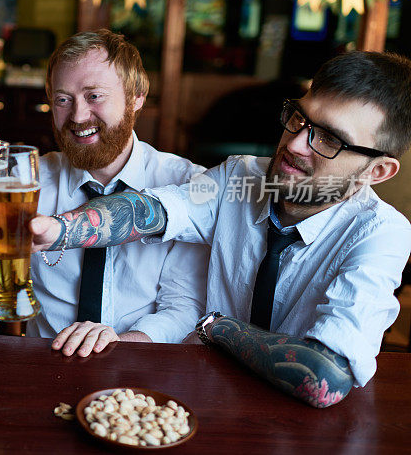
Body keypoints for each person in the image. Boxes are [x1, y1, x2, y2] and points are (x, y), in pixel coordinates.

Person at [30, 50, 411, 408]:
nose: (295, 143)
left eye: (328, 138)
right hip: (202, 400)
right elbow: (153, 208)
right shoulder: (242, 177)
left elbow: (323, 377)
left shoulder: (379, 234)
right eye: (299, 119)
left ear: (377, 171)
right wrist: (58, 229)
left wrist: (215, 327)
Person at [25, 30, 208, 356]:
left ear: (136, 97)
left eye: (94, 96)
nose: (78, 116)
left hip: (140, 373)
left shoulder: (184, 182)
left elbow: (183, 307)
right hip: (42, 364)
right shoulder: (27, 180)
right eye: (63, 99)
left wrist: (116, 347)